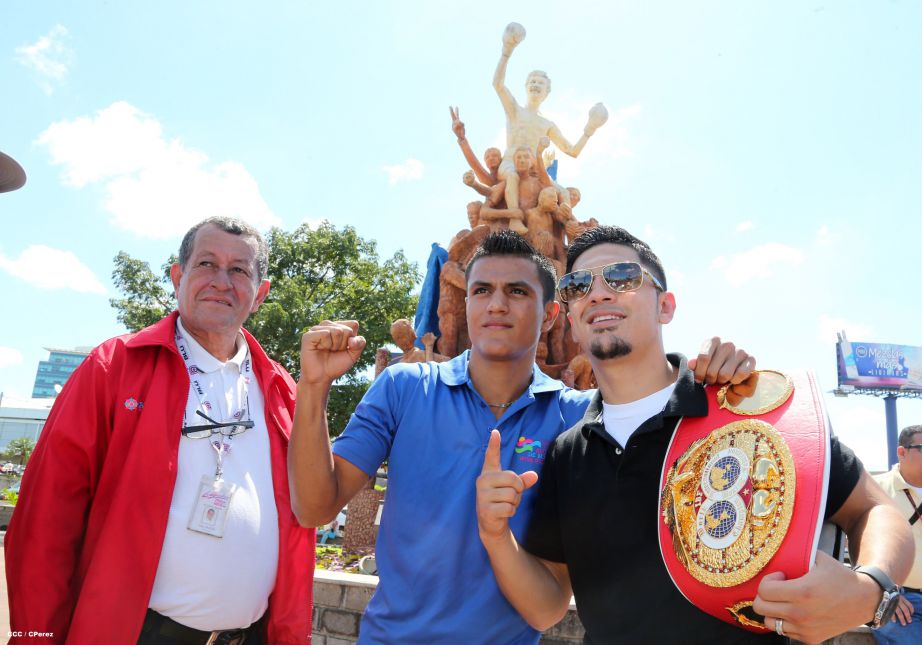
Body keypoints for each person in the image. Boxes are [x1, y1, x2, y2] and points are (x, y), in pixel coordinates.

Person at [288, 230, 756, 644]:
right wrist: (313, 388)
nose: (496, 304)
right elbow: (314, 507)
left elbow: (656, 406)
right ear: (465, 302)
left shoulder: (578, 420)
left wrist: (713, 378)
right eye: (482, 290)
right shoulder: (405, 388)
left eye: (516, 291)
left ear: (554, 314)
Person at [476, 225, 914, 645]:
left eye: (623, 276)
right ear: (571, 319)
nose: (599, 292)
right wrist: (497, 536)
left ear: (665, 306)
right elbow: (548, 607)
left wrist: (869, 589)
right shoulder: (567, 454)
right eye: (577, 285)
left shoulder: (746, 406)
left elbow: (872, 508)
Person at [5, 216, 313, 644]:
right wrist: (34, 637)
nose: (221, 281)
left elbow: (306, 513)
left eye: (239, 270)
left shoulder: (283, 389)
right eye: (206, 263)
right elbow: (45, 522)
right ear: (177, 276)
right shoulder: (112, 368)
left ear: (259, 294)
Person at [492, 22, 608, 211]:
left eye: (540, 83)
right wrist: (507, 51)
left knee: (562, 193)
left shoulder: (547, 124)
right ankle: (514, 217)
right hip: (510, 164)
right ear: (526, 87)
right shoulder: (514, 110)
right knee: (512, 177)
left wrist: (590, 128)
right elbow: (498, 84)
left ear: (547, 92)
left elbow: (572, 151)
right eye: (533, 81)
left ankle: (572, 230)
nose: (536, 85)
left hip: (535, 171)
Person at [872, 425, 922, 644]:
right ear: (902, 452)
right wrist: (885, 594)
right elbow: (859, 544)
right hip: (899, 599)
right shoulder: (875, 489)